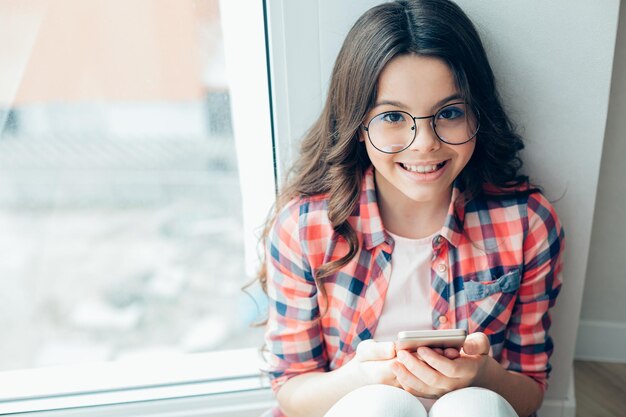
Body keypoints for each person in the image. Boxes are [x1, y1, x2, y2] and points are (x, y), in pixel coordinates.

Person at [258, 1, 564, 416]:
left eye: (450, 113)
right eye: (393, 116)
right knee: (379, 405)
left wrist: (482, 375)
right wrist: (362, 377)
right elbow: (292, 391)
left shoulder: (526, 222)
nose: (424, 143)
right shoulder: (306, 227)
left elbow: (531, 388)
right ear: (357, 125)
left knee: (474, 407)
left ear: (478, 115)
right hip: (352, 405)